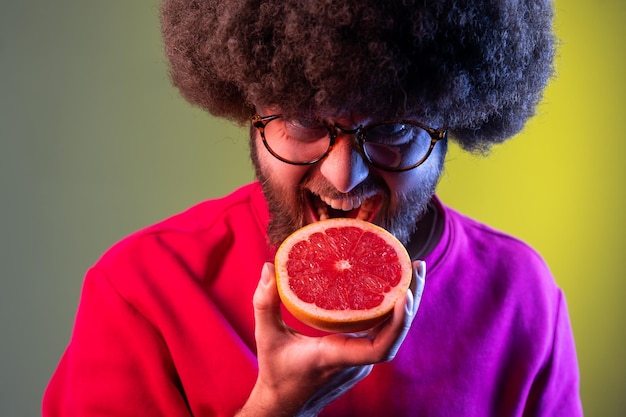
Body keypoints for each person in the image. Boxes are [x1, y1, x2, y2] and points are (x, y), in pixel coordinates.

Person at [43, 0, 583, 416]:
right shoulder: (143, 288)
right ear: (252, 113)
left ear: (450, 129)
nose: (343, 174)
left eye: (393, 127)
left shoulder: (521, 296)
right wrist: (276, 407)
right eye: (304, 121)